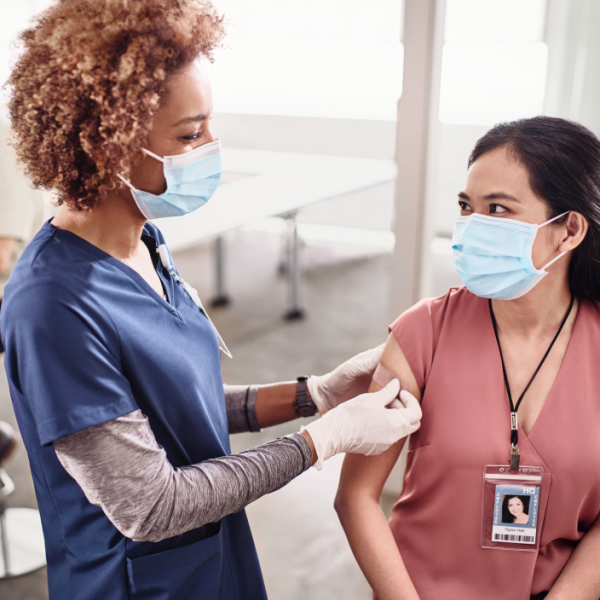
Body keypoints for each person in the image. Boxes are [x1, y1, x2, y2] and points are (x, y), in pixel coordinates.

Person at [0, 1, 422, 599]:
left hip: (213, 562)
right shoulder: (53, 309)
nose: (212, 147)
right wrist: (320, 440)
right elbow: (151, 506)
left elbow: (171, 408)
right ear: (108, 144)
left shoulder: (144, 241)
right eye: (191, 134)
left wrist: (313, 394)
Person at [335, 116, 600, 600]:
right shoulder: (423, 332)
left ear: (569, 230)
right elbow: (356, 496)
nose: (472, 227)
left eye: (497, 209)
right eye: (466, 206)